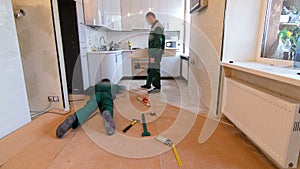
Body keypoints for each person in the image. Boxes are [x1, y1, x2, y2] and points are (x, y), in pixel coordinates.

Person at [56, 79, 125, 138]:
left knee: (87, 108)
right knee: (107, 105)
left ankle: (74, 119)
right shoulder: (112, 85)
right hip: (107, 94)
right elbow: (123, 88)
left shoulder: (96, 86)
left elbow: (87, 91)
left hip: (96, 95)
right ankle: (107, 114)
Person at [141, 12, 165, 93]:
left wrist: (153, 56)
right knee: (151, 69)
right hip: (154, 52)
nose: (147, 21)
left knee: (155, 69)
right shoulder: (155, 26)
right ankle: (148, 84)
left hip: (155, 53)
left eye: (147, 19)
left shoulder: (157, 27)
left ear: (151, 17)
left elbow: (157, 43)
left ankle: (157, 87)